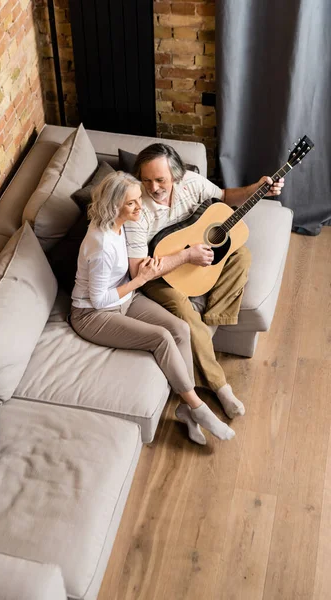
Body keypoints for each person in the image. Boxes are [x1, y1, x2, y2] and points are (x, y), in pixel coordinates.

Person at [71, 171, 235, 444]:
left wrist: (144, 271)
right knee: (161, 338)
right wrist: (140, 279)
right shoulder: (100, 245)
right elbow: (99, 300)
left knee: (180, 328)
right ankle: (198, 408)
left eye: (138, 200)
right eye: (132, 203)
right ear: (114, 207)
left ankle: (186, 409)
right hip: (92, 314)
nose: (140, 206)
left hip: (124, 298)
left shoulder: (119, 225)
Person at [124, 143, 285, 418]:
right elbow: (140, 271)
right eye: (146, 180)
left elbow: (224, 196)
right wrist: (186, 257)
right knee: (183, 310)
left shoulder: (191, 183)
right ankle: (220, 386)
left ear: (175, 175)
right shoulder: (137, 210)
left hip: (192, 255)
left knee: (241, 256)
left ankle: (210, 324)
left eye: (161, 180)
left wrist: (256, 188)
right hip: (156, 275)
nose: (154, 188)